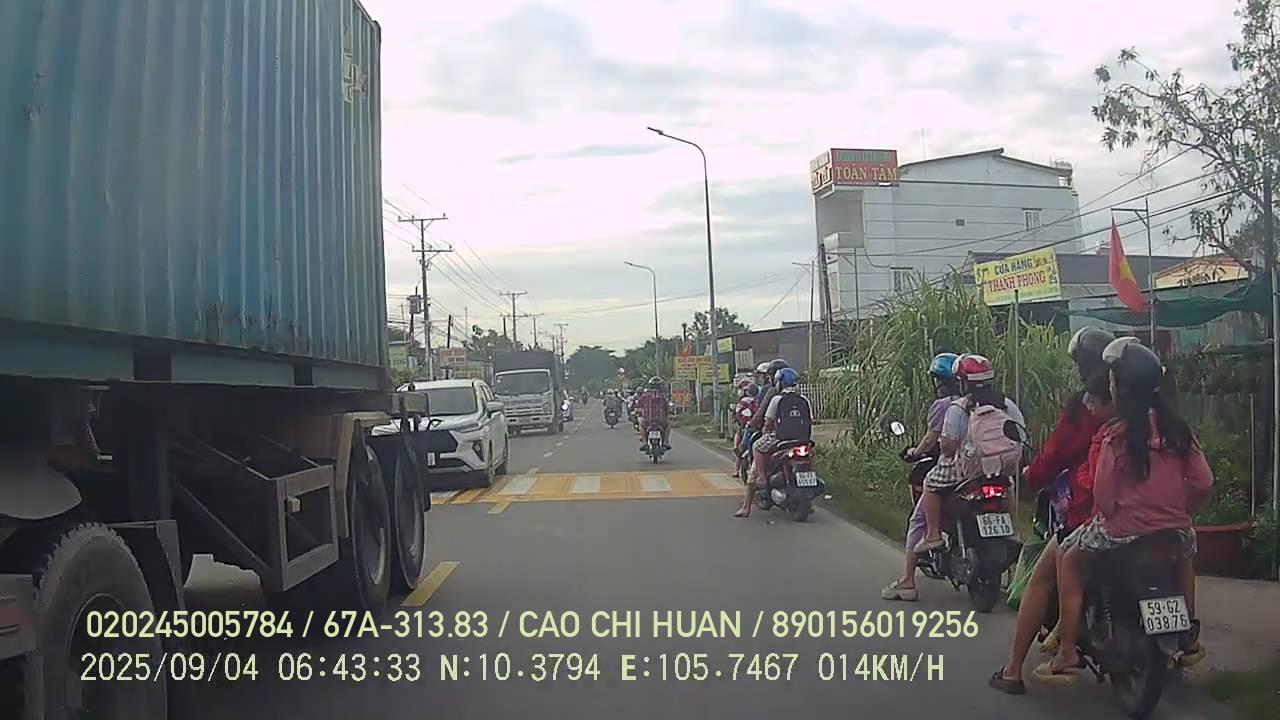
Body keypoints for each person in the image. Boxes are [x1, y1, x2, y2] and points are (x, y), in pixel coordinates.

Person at [1038, 337, 1212, 683]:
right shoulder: (1178, 430)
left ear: (1119, 389)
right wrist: (1182, 512)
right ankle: (1188, 635)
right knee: (1183, 556)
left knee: (1069, 557)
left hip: (1121, 531)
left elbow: (1103, 498)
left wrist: (1117, 514)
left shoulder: (1115, 435)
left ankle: (1067, 648)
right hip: (1173, 530)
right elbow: (1204, 482)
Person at [987, 327, 1114, 693]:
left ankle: (1013, 670)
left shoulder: (1087, 408)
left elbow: (1056, 454)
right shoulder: (1147, 412)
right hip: (1151, 519)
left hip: (1093, 512)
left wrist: (1033, 475)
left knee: (1043, 574)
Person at [913, 354, 1025, 554]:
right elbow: (1020, 432)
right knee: (1008, 486)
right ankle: (1014, 531)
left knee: (929, 483)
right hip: (999, 468)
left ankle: (933, 535)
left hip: (967, 471)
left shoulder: (958, 408)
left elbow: (948, 448)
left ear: (963, 383)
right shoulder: (1006, 404)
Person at [881, 352, 962, 602]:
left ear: (939, 381)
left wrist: (915, 452)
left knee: (918, 519)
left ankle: (907, 581)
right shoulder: (977, 403)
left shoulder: (944, 406)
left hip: (950, 468)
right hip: (979, 469)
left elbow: (933, 439)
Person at [736, 367, 811, 518]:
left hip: (779, 440)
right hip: (802, 440)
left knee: (757, 447)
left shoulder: (776, 398)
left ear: (780, 382)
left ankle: (749, 502)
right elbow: (810, 420)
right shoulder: (804, 399)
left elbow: (768, 420)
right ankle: (810, 501)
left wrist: (766, 429)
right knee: (810, 459)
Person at [635, 376, 672, 450]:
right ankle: (665, 441)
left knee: (642, 426)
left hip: (647, 420)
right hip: (660, 420)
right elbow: (667, 407)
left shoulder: (645, 395)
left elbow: (638, 405)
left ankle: (644, 442)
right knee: (668, 425)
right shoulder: (663, 396)